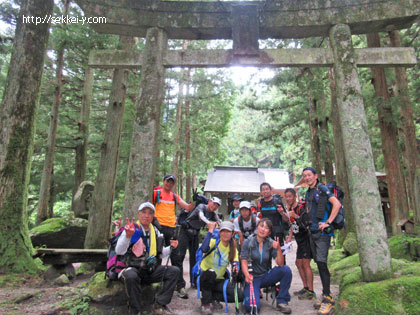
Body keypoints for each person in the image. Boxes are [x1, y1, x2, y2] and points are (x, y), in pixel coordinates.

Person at [116, 202, 180, 315]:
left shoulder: (155, 231)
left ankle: (160, 304)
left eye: (150, 213)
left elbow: (159, 254)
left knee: (174, 271)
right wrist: (127, 236)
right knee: (131, 276)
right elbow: (119, 251)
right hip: (133, 268)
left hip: (149, 269)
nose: (147, 215)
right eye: (144, 212)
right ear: (138, 214)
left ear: (153, 216)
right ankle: (135, 311)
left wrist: (171, 247)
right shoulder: (131, 229)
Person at [302, 167, 341, 315]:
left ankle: (328, 298)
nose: (307, 178)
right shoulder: (309, 192)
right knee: (319, 263)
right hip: (312, 232)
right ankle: (326, 295)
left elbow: (336, 204)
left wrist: (328, 223)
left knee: (322, 263)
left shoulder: (322, 188)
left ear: (316, 176)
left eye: (309, 175)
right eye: (304, 176)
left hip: (323, 234)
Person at [153, 174, 195, 298]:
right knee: (157, 256)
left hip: (171, 229)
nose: (169, 184)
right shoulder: (156, 193)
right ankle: (156, 284)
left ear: (173, 184)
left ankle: (180, 286)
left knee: (176, 257)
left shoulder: (174, 196)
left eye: (171, 182)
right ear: (163, 181)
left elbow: (187, 207)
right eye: (167, 181)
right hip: (158, 228)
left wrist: (194, 200)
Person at [240, 218, 292, 314]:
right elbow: (243, 260)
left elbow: (280, 263)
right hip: (252, 278)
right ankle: (247, 297)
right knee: (253, 308)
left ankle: (282, 301)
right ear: (257, 227)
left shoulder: (270, 243)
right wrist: (246, 275)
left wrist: (278, 249)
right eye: (261, 226)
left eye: (266, 228)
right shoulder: (248, 242)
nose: (263, 229)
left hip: (265, 276)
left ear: (269, 232)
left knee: (286, 270)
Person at [199, 221, 244, 315]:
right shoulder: (213, 242)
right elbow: (203, 248)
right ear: (219, 232)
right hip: (205, 277)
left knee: (240, 295)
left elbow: (236, 262)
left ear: (232, 233)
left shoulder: (232, 248)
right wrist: (210, 231)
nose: (225, 233)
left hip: (219, 280)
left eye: (228, 231)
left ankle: (212, 298)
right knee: (210, 273)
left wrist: (236, 267)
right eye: (222, 231)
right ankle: (206, 303)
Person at [178, 197, 222, 291]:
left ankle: (193, 281)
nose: (214, 207)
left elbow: (219, 222)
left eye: (217, 206)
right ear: (209, 202)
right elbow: (201, 216)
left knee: (194, 258)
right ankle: (179, 283)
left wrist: (225, 228)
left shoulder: (213, 213)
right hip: (185, 232)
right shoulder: (201, 206)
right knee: (180, 256)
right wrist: (209, 223)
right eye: (213, 204)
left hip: (195, 233)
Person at [284, 188, 316, 300]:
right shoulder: (289, 209)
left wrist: (296, 216)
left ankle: (311, 292)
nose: (288, 198)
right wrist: (289, 237)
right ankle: (305, 287)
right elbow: (292, 225)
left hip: (306, 239)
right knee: (298, 263)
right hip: (299, 240)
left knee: (305, 263)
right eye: (286, 196)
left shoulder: (300, 208)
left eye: (290, 196)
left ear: (294, 196)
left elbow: (307, 224)